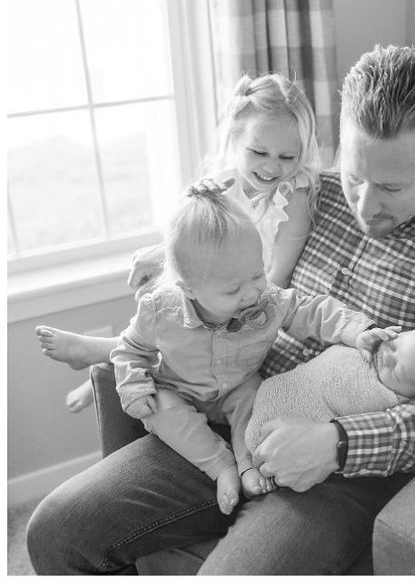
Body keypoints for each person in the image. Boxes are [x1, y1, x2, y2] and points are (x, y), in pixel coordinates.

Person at [27, 45, 415, 575]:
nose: (363, 204)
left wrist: (337, 444)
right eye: (356, 175)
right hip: (229, 410)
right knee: (56, 531)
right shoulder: (310, 191)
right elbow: (228, 215)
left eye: (390, 187)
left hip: (340, 472)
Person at [36, 73, 323, 413]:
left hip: (248, 304)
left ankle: (105, 354)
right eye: (259, 151)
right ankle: (116, 358)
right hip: (209, 292)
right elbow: (193, 250)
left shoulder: (294, 197)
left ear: (301, 154)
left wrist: (230, 303)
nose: (272, 166)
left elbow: (279, 276)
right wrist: (165, 246)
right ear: (233, 138)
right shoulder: (221, 184)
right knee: (162, 298)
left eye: (286, 157)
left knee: (184, 324)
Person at [112, 187, 383, 515]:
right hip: (178, 389)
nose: (252, 291)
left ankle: (247, 464)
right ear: (189, 289)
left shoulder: (265, 300)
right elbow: (129, 350)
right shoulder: (160, 311)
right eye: (232, 289)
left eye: (257, 273)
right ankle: (220, 467)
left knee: (254, 401)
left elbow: (311, 311)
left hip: (238, 388)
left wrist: (358, 331)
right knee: (160, 410)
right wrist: (134, 387)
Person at [245, 325, 415, 452]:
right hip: (255, 386)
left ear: (413, 395)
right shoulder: (373, 343)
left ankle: (247, 464)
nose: (387, 356)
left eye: (398, 370)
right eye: (397, 344)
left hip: (288, 432)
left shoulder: (386, 400)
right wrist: (361, 335)